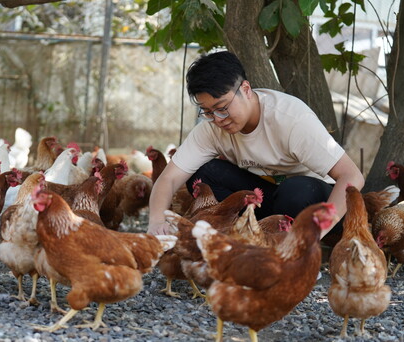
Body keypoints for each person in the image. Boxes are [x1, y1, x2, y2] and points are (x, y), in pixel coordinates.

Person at [147, 50, 364, 240]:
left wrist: (319, 231)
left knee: (295, 190)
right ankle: (248, 240)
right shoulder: (211, 128)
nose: (218, 118)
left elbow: (352, 176)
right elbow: (170, 177)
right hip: (266, 201)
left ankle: (299, 244)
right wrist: (156, 221)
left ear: (246, 89)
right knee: (204, 174)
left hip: (313, 200)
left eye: (222, 107)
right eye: (208, 112)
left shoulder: (291, 118)